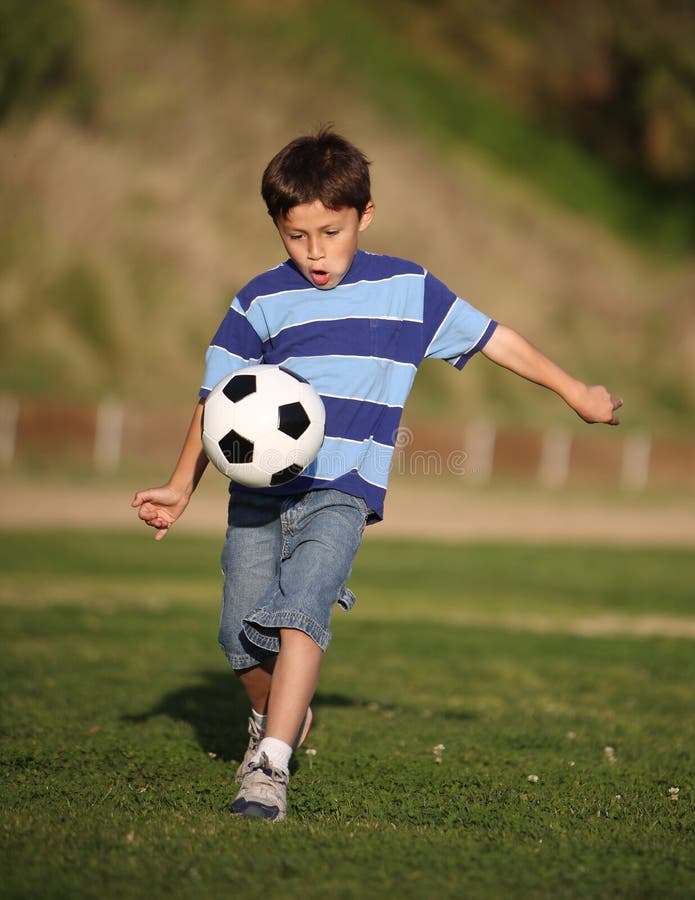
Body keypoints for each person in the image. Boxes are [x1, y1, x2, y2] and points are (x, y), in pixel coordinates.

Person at [132, 128, 622, 822]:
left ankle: (269, 766)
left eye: (329, 232)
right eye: (295, 235)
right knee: (239, 634)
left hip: (341, 491)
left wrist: (575, 391)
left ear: (364, 215)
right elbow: (219, 401)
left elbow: (492, 338)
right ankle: (278, 716)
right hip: (257, 498)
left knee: (302, 612)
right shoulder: (258, 300)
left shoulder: (406, 289)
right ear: (276, 225)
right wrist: (181, 485)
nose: (313, 252)